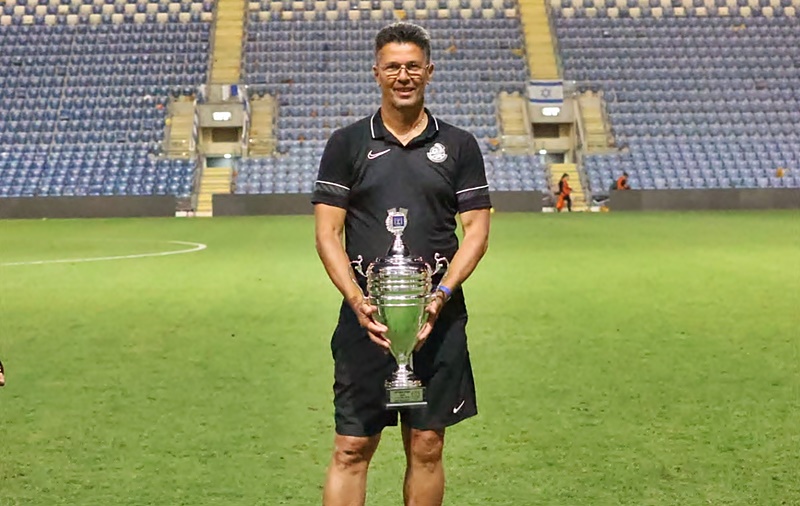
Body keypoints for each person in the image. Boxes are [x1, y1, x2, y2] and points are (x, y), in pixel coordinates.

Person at [311, 22, 492, 506]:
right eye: (393, 67)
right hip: (366, 321)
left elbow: (476, 232)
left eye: (413, 66)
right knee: (351, 447)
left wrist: (441, 295)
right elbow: (327, 234)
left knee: (428, 446)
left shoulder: (459, 145)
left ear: (429, 71)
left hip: (438, 320)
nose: (403, 76)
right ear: (377, 73)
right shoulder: (347, 143)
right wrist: (357, 300)